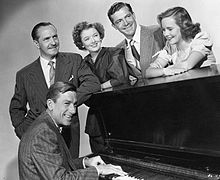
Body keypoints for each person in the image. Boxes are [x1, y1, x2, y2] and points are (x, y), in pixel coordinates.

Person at [9, 22, 101, 158]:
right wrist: (24, 132)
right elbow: (16, 108)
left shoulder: (74, 60)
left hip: (69, 132)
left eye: (55, 37)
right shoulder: (24, 75)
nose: (53, 42)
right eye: (46, 39)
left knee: (71, 174)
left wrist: (66, 104)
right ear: (36, 43)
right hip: (39, 135)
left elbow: (92, 83)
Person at [18, 81, 127, 180]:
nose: (73, 110)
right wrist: (98, 170)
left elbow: (54, 164)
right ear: (50, 104)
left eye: (74, 104)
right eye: (67, 103)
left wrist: (85, 162)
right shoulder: (43, 133)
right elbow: (61, 178)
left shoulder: (46, 124)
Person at [72, 21, 129, 153]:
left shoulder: (114, 53)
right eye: (87, 39)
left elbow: (120, 79)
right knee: (101, 159)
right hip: (96, 119)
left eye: (95, 35)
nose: (93, 41)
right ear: (81, 43)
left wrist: (96, 87)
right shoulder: (82, 63)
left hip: (119, 113)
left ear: (101, 36)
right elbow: (82, 90)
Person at [145, 7, 216, 78]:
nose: (165, 34)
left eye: (170, 29)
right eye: (163, 30)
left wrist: (167, 70)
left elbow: (187, 65)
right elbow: (148, 72)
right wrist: (164, 71)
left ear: (183, 27)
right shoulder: (170, 47)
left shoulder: (200, 40)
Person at [107, 2, 166, 79]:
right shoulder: (118, 51)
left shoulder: (158, 31)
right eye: (119, 21)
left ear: (134, 15)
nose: (125, 23)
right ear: (114, 26)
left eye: (127, 16)